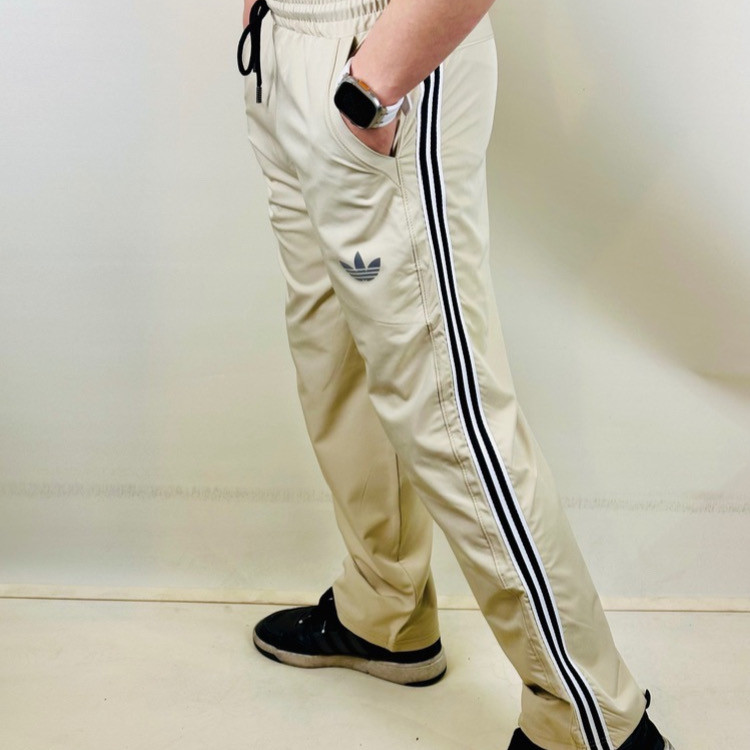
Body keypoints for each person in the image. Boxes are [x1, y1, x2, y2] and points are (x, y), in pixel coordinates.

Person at [237, 1, 675, 748]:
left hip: (378, 62)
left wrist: (374, 84)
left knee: (443, 404)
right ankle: (385, 610)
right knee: (334, 359)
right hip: (285, 51)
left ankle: (591, 717)